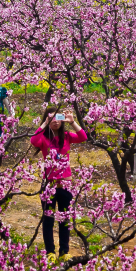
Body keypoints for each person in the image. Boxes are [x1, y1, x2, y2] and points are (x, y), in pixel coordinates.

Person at [30, 106, 87, 262]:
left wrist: (73, 122)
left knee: (64, 219)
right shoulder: (44, 138)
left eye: (58, 118)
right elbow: (33, 140)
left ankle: (64, 251)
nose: (55, 121)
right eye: (51, 118)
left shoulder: (67, 136)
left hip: (65, 186)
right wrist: (43, 124)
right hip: (49, 185)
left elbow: (83, 137)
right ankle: (50, 252)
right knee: (48, 219)